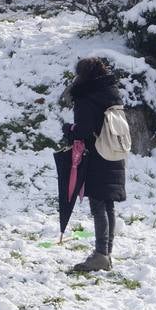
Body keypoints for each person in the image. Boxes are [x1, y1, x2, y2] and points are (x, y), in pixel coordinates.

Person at [64, 58, 127, 272]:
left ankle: (101, 254)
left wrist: (69, 131)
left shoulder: (87, 96)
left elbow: (83, 131)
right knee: (108, 205)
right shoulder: (111, 93)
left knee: (98, 206)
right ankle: (106, 254)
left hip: (97, 155)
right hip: (114, 153)